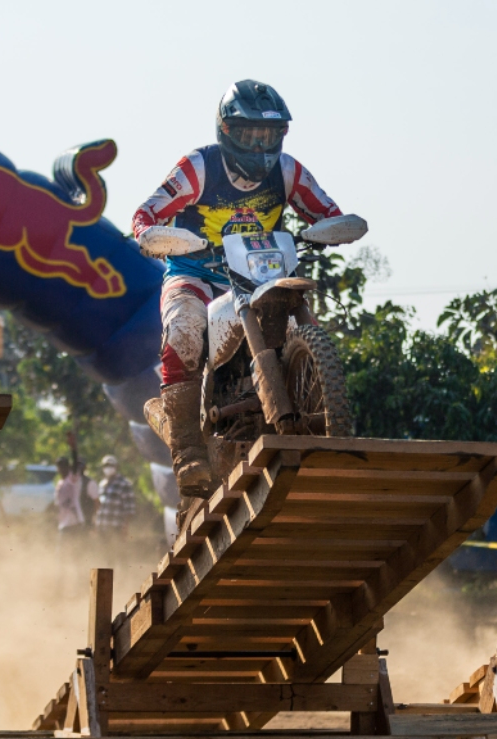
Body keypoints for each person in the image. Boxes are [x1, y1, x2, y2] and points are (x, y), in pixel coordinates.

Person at [131, 79, 344, 496]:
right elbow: (147, 213)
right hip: (195, 273)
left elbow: (327, 211)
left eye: (269, 134)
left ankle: (328, 416)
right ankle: (189, 451)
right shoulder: (199, 168)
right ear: (226, 131)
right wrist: (151, 235)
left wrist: (333, 227)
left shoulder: (288, 172)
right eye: (250, 133)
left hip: (259, 276)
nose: (260, 145)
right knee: (183, 333)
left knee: (311, 324)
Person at [95, 455, 137, 537]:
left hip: (116, 528)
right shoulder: (102, 484)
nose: (108, 468)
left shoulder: (124, 484)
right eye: (106, 466)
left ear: (116, 467)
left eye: (111, 465)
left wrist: (125, 527)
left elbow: (130, 510)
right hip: (102, 528)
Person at [54, 455, 85, 544]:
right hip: (64, 523)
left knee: (72, 551)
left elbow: (75, 467)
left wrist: (73, 448)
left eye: (64, 466)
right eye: (59, 466)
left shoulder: (72, 480)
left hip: (74, 523)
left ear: (69, 467)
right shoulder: (60, 483)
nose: (61, 469)